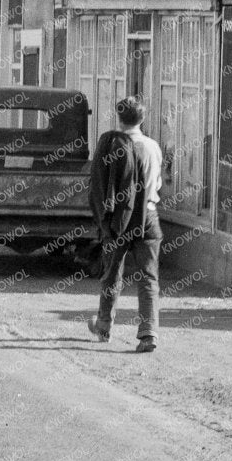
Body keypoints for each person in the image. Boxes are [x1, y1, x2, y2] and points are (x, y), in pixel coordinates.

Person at [87, 94, 164, 354]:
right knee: (148, 277)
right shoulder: (153, 147)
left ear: (119, 118)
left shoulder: (111, 145)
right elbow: (158, 184)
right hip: (148, 218)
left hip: (117, 219)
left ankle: (104, 326)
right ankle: (148, 332)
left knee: (111, 274)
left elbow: (98, 185)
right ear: (143, 119)